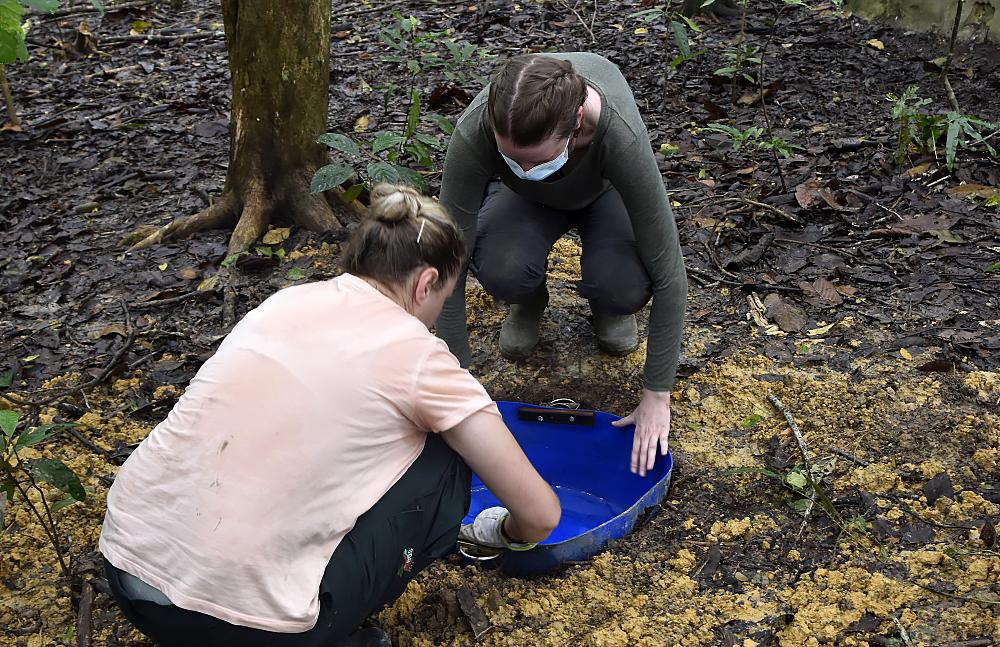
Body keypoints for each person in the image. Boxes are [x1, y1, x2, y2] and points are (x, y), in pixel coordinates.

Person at [99, 184, 561, 647]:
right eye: (443, 295)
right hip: (240, 627)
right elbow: (540, 515)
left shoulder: (283, 303)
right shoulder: (419, 356)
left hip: (126, 570)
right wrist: (502, 531)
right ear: (425, 284)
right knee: (448, 451)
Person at [436, 53, 687, 477]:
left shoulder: (618, 133)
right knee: (503, 268)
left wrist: (657, 395)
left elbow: (669, 271)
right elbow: (448, 259)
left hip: (606, 193)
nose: (527, 166)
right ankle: (527, 299)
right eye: (514, 157)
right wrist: (455, 386)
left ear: (575, 122)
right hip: (525, 200)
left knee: (621, 286)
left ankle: (606, 303)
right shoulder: (476, 130)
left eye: (537, 159)